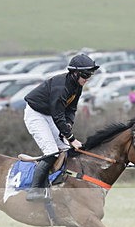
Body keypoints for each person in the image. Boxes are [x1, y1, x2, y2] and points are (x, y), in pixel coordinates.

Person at [23, 53, 99, 201]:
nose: (88, 78)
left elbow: (70, 109)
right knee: (52, 152)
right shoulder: (61, 87)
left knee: (65, 150)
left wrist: (68, 126)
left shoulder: (77, 85)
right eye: (85, 74)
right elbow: (58, 116)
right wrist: (71, 138)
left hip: (50, 115)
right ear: (74, 73)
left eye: (90, 74)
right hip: (36, 114)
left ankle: (59, 184)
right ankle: (35, 189)